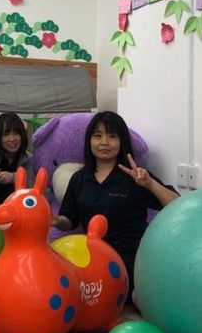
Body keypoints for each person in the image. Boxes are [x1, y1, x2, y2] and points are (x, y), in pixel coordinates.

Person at [52, 111, 178, 291]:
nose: (104, 142)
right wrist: (57, 221)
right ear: (89, 141)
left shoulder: (135, 176)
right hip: (94, 258)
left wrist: (150, 184)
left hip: (132, 260)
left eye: (112, 136)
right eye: (98, 136)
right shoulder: (79, 179)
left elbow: (176, 205)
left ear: (122, 141)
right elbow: (69, 220)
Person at [0, 112, 34, 206]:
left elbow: (33, 189)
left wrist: (14, 178)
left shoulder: (29, 159)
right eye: (6, 134)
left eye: (16, 133)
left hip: (18, 210)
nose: (12, 139)